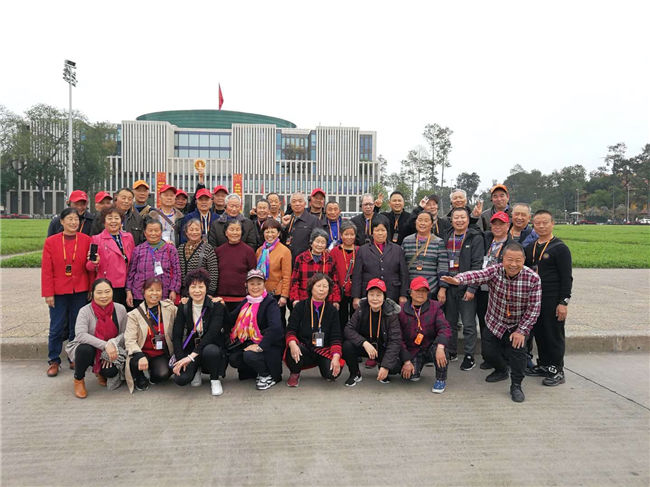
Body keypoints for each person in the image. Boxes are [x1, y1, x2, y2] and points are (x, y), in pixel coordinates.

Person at [441, 242, 542, 402]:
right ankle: (501, 370)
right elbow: (477, 275)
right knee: (488, 353)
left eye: (518, 260)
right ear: (503, 259)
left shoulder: (533, 279)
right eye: (509, 260)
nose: (513, 264)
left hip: (518, 325)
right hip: (495, 321)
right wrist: (458, 280)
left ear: (524, 260)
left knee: (518, 355)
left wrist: (521, 331)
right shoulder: (495, 270)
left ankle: (516, 385)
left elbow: (534, 308)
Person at [41, 208, 92, 377]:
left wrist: (90, 288)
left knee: (76, 326)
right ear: (62, 222)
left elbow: (90, 267)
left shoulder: (86, 240)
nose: (73, 222)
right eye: (69, 219)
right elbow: (46, 270)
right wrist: (48, 293)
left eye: (76, 219)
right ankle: (54, 360)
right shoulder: (51, 242)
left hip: (80, 289)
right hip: (58, 290)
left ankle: (73, 356)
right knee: (56, 326)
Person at [524, 210, 573, 387]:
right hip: (535, 299)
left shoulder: (560, 248)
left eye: (545, 222)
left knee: (554, 334)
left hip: (553, 298)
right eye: (537, 223)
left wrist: (563, 302)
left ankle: (557, 370)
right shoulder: (530, 247)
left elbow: (567, 278)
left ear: (552, 223)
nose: (541, 226)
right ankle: (544, 365)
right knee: (540, 333)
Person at [65, 279, 128, 398]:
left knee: (111, 372)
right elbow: (81, 335)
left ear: (112, 292)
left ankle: (100, 372)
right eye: (99, 292)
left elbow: (124, 333)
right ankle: (78, 379)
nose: (104, 296)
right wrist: (105, 345)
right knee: (85, 350)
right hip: (90, 348)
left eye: (107, 292)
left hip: (111, 349)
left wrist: (112, 345)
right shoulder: (85, 311)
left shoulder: (120, 309)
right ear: (92, 293)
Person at [171, 269, 227, 396]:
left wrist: (190, 357)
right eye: (193, 287)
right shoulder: (184, 305)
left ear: (206, 288)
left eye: (201, 287)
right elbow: (177, 334)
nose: (197, 291)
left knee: (211, 351)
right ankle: (196, 369)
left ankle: (214, 379)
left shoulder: (216, 305)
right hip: (192, 348)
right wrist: (181, 359)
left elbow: (212, 334)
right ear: (188, 289)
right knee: (181, 379)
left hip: (211, 346)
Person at [227, 269, 284, 390]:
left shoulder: (270, 302)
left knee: (249, 355)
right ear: (246, 285)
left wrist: (260, 346)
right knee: (234, 358)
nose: (255, 287)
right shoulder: (247, 301)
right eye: (252, 284)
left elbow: (276, 328)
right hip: (250, 342)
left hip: (268, 346)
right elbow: (230, 319)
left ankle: (267, 375)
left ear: (264, 284)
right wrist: (219, 305)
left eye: (259, 283)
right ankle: (254, 371)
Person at [442, 206, 484, 369]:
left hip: (466, 286)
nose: (459, 220)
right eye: (456, 217)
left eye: (463, 217)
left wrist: (472, 288)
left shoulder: (475, 237)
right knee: (450, 322)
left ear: (468, 220)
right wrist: (443, 286)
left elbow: (477, 264)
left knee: (468, 323)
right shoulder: (446, 236)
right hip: (449, 285)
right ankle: (451, 351)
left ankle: (469, 355)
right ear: (451, 220)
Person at [285, 274, 343, 387]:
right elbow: (290, 330)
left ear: (329, 290)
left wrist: (336, 357)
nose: (322, 289)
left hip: (323, 349)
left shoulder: (332, 310)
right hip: (304, 348)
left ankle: (324, 366)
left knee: (332, 373)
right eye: (318, 286)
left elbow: (336, 337)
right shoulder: (300, 307)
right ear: (311, 288)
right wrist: (292, 344)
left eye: (325, 286)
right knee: (293, 347)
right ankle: (295, 373)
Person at [342, 279, 402, 386]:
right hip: (365, 346)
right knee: (347, 345)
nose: (375, 299)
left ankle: (382, 368)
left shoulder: (391, 313)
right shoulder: (361, 309)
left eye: (378, 295)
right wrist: (364, 343)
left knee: (395, 367)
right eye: (371, 294)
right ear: (367, 296)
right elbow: (348, 329)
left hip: (382, 348)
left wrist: (386, 366)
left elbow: (395, 341)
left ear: (384, 297)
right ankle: (355, 373)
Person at [398, 277, 451, 393]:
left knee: (442, 350)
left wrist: (440, 347)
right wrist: (406, 361)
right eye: (417, 290)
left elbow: (444, 328)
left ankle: (440, 379)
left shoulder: (435, 307)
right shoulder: (401, 310)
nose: (421, 294)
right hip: (413, 349)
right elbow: (398, 337)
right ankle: (416, 366)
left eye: (424, 291)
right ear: (410, 292)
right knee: (409, 377)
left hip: (430, 346)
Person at [124, 278, 177, 392]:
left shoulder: (170, 308)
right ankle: (139, 377)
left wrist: (186, 302)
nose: (154, 293)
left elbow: (184, 314)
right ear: (143, 291)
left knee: (162, 374)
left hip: (160, 353)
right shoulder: (134, 314)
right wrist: (140, 355)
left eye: (158, 290)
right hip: (142, 352)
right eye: (150, 290)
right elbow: (130, 340)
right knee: (135, 361)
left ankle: (152, 373)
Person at [476, 211, 513, 369]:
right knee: (485, 325)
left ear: (508, 226)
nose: (497, 227)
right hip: (483, 290)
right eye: (494, 224)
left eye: (501, 224)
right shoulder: (486, 239)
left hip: (501, 293)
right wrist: (474, 216)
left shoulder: (512, 245)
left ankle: (503, 359)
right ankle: (489, 357)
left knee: (502, 326)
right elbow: (472, 229)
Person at [125, 219, 181, 309]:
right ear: (145, 233)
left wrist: (173, 290)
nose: (153, 233)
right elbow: (131, 273)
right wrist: (128, 291)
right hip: (140, 294)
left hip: (163, 293)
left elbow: (176, 272)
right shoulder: (138, 250)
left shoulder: (170, 249)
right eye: (150, 230)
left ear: (161, 232)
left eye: (156, 230)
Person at [352, 221, 408, 308]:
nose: (380, 233)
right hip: (370, 293)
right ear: (372, 233)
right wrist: (356, 297)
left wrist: (403, 294)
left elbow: (404, 274)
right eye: (377, 230)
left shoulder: (397, 249)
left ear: (387, 232)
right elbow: (357, 275)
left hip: (392, 292)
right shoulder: (363, 250)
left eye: (383, 230)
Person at [86, 207, 135, 307]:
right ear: (104, 221)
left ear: (121, 221)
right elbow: (89, 266)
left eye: (116, 218)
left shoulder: (128, 237)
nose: (113, 221)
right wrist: (95, 262)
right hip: (107, 286)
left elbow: (133, 261)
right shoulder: (96, 239)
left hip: (127, 285)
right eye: (109, 218)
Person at [401, 210, 449, 297]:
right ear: (415, 222)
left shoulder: (438, 242)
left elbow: (443, 266)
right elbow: (401, 265)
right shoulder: (406, 241)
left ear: (432, 224)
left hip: (431, 289)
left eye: (426, 221)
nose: (422, 223)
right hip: (411, 289)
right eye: (420, 220)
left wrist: (443, 288)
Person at [290, 228, 341, 308]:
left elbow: (334, 282)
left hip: (325, 299)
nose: (320, 245)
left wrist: (335, 300)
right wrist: (295, 298)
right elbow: (294, 281)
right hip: (304, 299)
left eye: (323, 242)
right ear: (311, 242)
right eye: (317, 241)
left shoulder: (330, 260)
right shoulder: (301, 258)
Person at [255, 218, 292, 326]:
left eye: (273, 232)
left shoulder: (284, 251)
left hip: (276, 294)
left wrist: (284, 296)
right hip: (261, 292)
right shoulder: (260, 250)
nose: (269, 235)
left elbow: (286, 276)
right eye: (267, 231)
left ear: (278, 233)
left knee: (277, 323)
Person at [215, 220, 257, 311]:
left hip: (242, 298)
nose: (235, 233)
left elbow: (252, 274)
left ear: (242, 232)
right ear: (226, 232)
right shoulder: (218, 251)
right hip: (221, 298)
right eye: (232, 229)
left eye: (238, 230)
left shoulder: (249, 251)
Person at [177, 219, 219, 298]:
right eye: (191, 230)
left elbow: (213, 272)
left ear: (201, 231)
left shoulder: (207, 248)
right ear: (186, 232)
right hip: (184, 293)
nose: (194, 232)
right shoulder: (180, 248)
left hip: (201, 292)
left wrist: (210, 292)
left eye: (197, 230)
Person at [329, 221, 359, 329]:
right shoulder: (334, 251)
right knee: (340, 320)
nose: (349, 237)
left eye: (352, 234)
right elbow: (331, 273)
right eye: (346, 234)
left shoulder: (360, 250)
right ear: (341, 235)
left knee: (356, 320)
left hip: (356, 292)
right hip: (340, 291)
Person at [281, 192, 320, 263]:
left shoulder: (313, 220)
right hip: (288, 260)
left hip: (306, 261)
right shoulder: (287, 219)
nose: (297, 204)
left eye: (300, 201)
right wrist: (283, 226)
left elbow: (317, 241)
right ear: (290, 205)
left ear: (305, 204)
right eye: (294, 201)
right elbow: (281, 240)